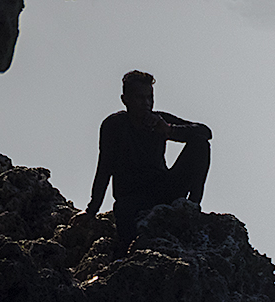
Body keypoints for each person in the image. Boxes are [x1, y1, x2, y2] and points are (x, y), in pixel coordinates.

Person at [85, 70, 211, 252]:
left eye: (149, 98)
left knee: (200, 144)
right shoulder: (114, 125)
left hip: (163, 188)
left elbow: (205, 132)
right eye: (139, 98)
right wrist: (92, 210)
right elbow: (104, 168)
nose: (146, 104)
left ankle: (192, 208)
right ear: (125, 99)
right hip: (132, 196)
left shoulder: (160, 121)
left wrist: (169, 130)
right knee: (125, 223)